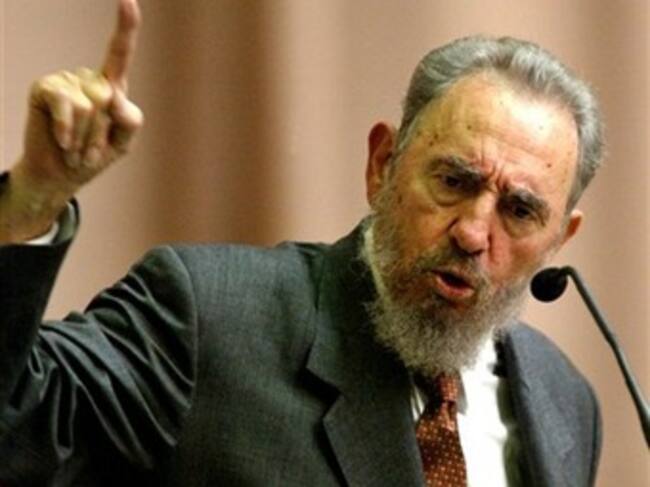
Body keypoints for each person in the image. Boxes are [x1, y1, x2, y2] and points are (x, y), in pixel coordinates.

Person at [0, 0, 603, 485]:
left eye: (519, 211)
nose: (473, 233)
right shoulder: (211, 318)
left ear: (559, 238)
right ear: (383, 165)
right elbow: (15, 432)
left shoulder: (563, 401)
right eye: (453, 181)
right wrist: (33, 196)